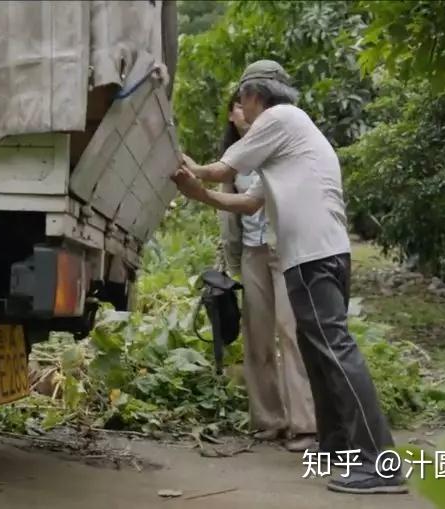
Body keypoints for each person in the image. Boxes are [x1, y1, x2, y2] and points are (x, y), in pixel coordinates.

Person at [171, 60, 406, 494]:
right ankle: (338, 447)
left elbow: (222, 170)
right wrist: (200, 194)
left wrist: (189, 168)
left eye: (241, 100)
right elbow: (251, 202)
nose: (239, 110)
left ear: (255, 96)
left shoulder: (281, 118)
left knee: (335, 350)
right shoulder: (287, 144)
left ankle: (380, 462)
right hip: (310, 256)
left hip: (315, 255)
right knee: (319, 352)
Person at [213, 93, 317, 453]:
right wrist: (231, 259)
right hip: (252, 253)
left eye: (249, 103)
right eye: (238, 105)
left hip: (286, 247)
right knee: (256, 336)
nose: (245, 111)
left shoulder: (279, 142)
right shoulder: (234, 158)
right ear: (231, 114)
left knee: (291, 332)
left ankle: (305, 425)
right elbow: (229, 215)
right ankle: (270, 420)